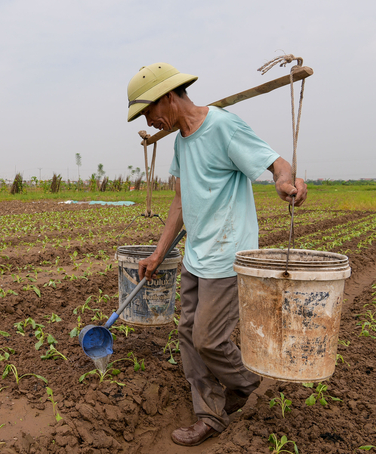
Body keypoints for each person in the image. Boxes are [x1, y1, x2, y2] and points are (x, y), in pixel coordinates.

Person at [126, 62, 308, 446]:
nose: (150, 121)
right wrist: (159, 254)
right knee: (189, 335)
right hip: (196, 255)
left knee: (208, 338)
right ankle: (209, 413)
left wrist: (284, 182)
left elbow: (276, 162)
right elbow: (179, 200)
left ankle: (245, 383)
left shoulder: (223, 125)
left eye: (148, 112)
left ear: (169, 97)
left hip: (228, 254)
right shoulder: (181, 140)